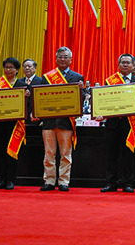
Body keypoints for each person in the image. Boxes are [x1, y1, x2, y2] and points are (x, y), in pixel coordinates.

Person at [97, 54, 135, 194]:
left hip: (130, 124)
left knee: (128, 154)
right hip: (113, 123)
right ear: (118, 65)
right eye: (123, 62)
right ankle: (111, 182)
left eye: (128, 63)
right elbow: (104, 100)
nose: (125, 65)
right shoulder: (110, 81)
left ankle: (128, 183)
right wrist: (100, 113)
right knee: (111, 154)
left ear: (133, 66)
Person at [39, 47, 84, 192]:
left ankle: (64, 181)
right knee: (49, 154)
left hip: (66, 122)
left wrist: (81, 90)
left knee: (66, 154)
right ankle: (49, 181)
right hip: (49, 122)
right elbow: (40, 97)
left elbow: (81, 100)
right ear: (56, 59)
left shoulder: (77, 77)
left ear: (70, 60)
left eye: (65, 57)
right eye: (60, 57)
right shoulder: (47, 77)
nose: (63, 59)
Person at [0, 57, 25, 190]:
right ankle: (2, 179)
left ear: (17, 70)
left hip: (15, 123)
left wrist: (26, 96)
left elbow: (28, 104)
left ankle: (11, 180)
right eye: (6, 67)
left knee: (13, 152)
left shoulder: (21, 84)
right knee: (1, 152)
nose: (8, 70)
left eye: (11, 67)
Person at [14, 58, 42, 126]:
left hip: (36, 117)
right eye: (25, 66)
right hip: (21, 117)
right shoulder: (18, 82)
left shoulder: (41, 81)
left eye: (29, 66)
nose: (27, 68)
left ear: (35, 68)